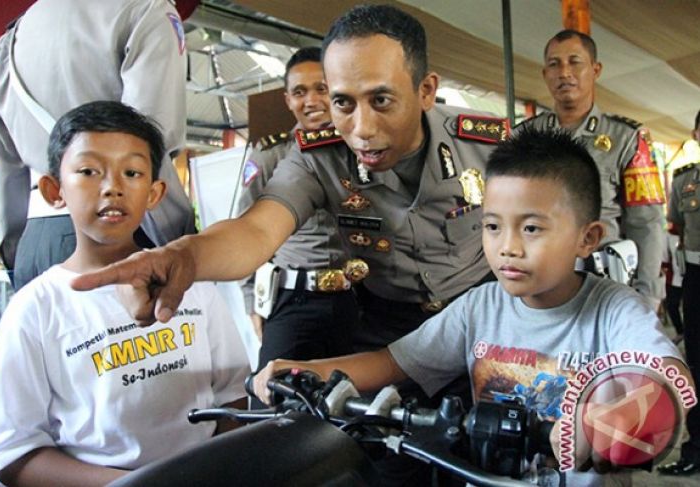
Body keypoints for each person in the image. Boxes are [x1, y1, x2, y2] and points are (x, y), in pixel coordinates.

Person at [252, 128, 692, 485]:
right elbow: (392, 362)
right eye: (493, 227)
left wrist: (606, 424)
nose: (507, 248)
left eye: (532, 228)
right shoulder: (480, 307)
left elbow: (669, 378)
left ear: (588, 238)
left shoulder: (615, 311)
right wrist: (306, 371)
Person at [72, 3, 506, 354]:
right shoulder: (317, 157)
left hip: (488, 314)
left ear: (426, 90)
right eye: (343, 103)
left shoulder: (488, 145)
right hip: (388, 330)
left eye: (381, 99)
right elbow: (257, 228)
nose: (362, 128)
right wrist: (186, 256)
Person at [0, 101, 250, 487]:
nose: (113, 187)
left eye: (132, 172)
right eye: (89, 171)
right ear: (54, 190)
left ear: (155, 193)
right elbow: (11, 455)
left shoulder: (190, 285)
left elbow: (233, 397)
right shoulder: (34, 310)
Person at [0, 0, 196, 290]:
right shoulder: (146, 10)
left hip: (34, 241)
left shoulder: (8, 43)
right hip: (121, 239)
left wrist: (17, 254)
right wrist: (184, 247)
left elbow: (9, 172)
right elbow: (147, 155)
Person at [516, 30, 665, 309]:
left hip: (604, 285)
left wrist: (648, 295)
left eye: (575, 62)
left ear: (595, 70)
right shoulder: (524, 137)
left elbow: (647, 223)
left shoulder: (627, 138)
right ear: (544, 74)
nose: (564, 72)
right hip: (538, 283)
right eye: (554, 64)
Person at [236, 47, 358, 368]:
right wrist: (252, 301)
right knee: (272, 399)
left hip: (362, 299)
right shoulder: (269, 155)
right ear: (288, 100)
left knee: (364, 405)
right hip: (296, 299)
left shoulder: (365, 150)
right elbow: (244, 230)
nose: (312, 101)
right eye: (300, 92)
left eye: (322, 88)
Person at [658, 110, 700, 475]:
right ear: (696, 134)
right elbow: (678, 228)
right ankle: (695, 451)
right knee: (697, 365)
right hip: (696, 278)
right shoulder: (684, 181)